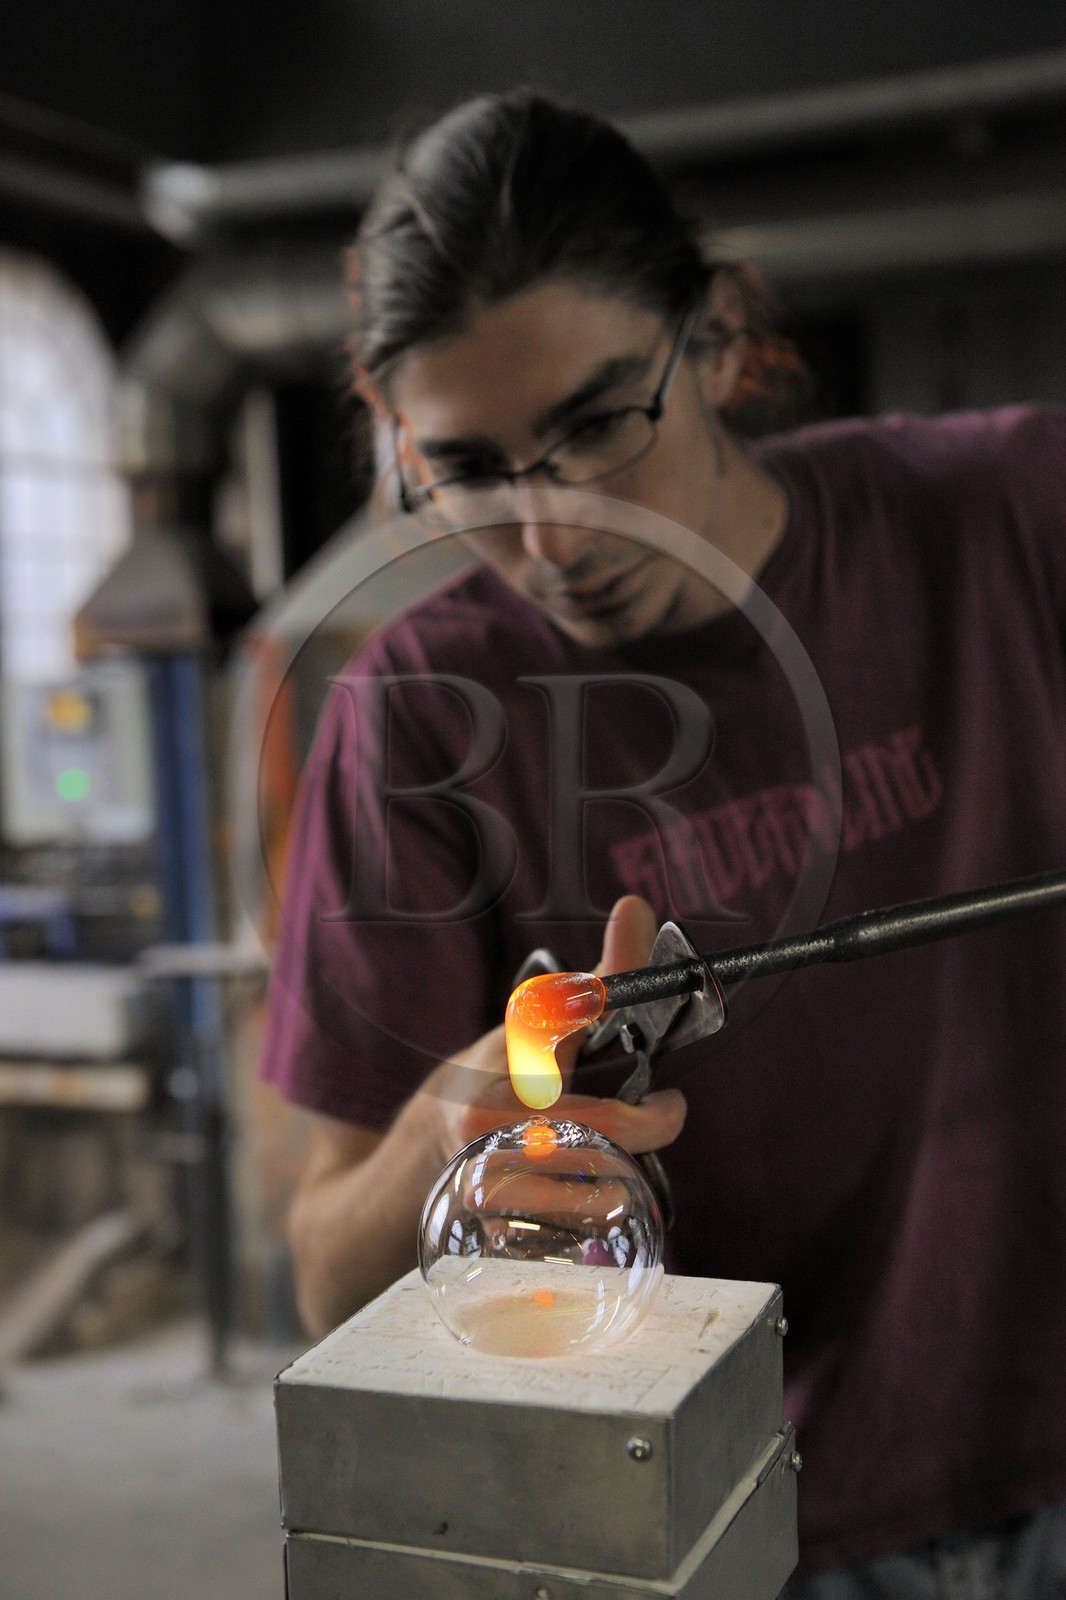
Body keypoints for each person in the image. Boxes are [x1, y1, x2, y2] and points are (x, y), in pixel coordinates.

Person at [259, 91, 1066, 1595]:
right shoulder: (416, 718)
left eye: (595, 423)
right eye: (473, 467)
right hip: (738, 1518)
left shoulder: (1006, 515)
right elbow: (322, 1271)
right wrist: (452, 1135)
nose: (554, 533)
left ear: (716, 336)